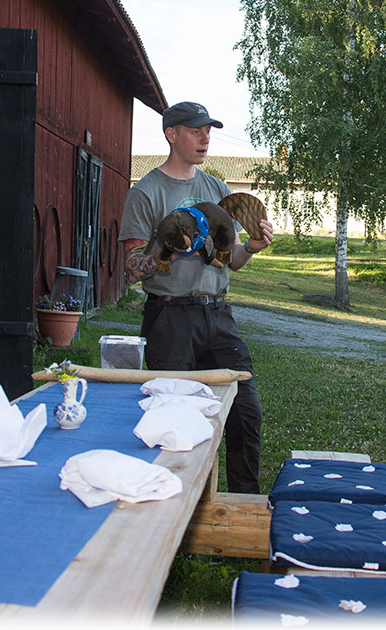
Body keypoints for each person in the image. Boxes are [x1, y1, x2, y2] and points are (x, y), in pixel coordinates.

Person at [119, 101, 274, 493]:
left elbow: (231, 261)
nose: (205, 138)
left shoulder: (216, 188)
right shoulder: (146, 192)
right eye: (195, 130)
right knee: (174, 420)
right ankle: (174, 505)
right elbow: (131, 268)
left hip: (218, 316)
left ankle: (239, 505)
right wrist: (166, 250)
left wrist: (252, 246)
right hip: (169, 319)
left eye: (208, 130)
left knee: (244, 412)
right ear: (172, 135)